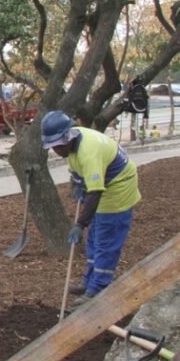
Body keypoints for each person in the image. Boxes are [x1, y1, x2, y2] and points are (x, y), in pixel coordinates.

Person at [41, 110, 140, 309]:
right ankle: (89, 281)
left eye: (58, 145)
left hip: (117, 191)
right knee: (94, 240)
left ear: (68, 137)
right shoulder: (73, 144)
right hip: (104, 186)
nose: (56, 151)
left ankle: (98, 288)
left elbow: (95, 192)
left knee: (105, 242)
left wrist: (79, 224)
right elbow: (78, 170)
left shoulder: (89, 152)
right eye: (52, 147)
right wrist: (77, 182)